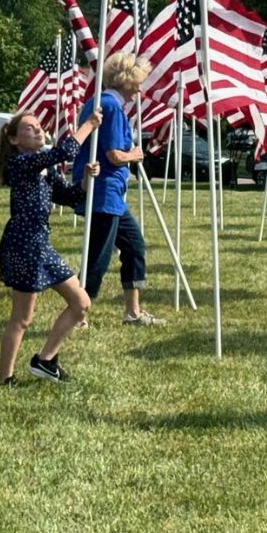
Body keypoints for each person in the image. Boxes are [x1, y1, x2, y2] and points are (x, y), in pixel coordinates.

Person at [0, 110, 102, 384]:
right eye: (30, 128)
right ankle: (4, 378)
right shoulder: (21, 162)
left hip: (41, 244)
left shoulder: (44, 167)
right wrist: (88, 124)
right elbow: (63, 151)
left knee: (80, 303)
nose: (38, 130)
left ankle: (44, 361)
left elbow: (66, 196)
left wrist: (85, 181)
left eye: (39, 126)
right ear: (14, 139)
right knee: (22, 318)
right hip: (23, 244)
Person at [72, 52, 166, 327]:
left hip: (111, 194)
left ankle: (132, 312)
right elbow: (113, 154)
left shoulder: (105, 103)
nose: (140, 88)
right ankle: (77, 315)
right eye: (139, 82)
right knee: (97, 258)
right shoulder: (111, 106)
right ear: (127, 81)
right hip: (103, 192)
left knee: (134, 245)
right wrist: (134, 155)